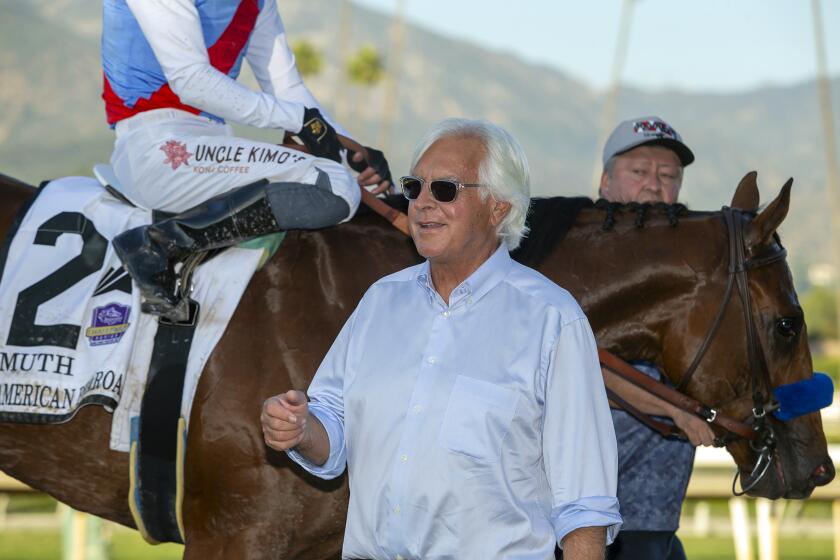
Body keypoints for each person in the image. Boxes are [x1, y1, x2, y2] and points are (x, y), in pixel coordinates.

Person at [261, 118, 622, 559]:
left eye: (446, 190)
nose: (423, 203)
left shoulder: (551, 318)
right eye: (415, 187)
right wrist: (299, 428)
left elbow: (584, 503)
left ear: (498, 207)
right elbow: (332, 428)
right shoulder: (380, 302)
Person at [101, 0, 391, 318]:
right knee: (335, 187)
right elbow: (192, 81)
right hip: (155, 147)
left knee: (342, 180)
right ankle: (157, 245)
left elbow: (287, 88)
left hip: (212, 147)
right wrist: (300, 122)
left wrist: (352, 152)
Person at [598, 116, 716, 560]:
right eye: (640, 172)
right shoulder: (572, 260)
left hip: (656, 518)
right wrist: (672, 409)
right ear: (606, 182)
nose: (654, 185)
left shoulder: (694, 269)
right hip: (569, 514)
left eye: (668, 176)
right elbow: (571, 365)